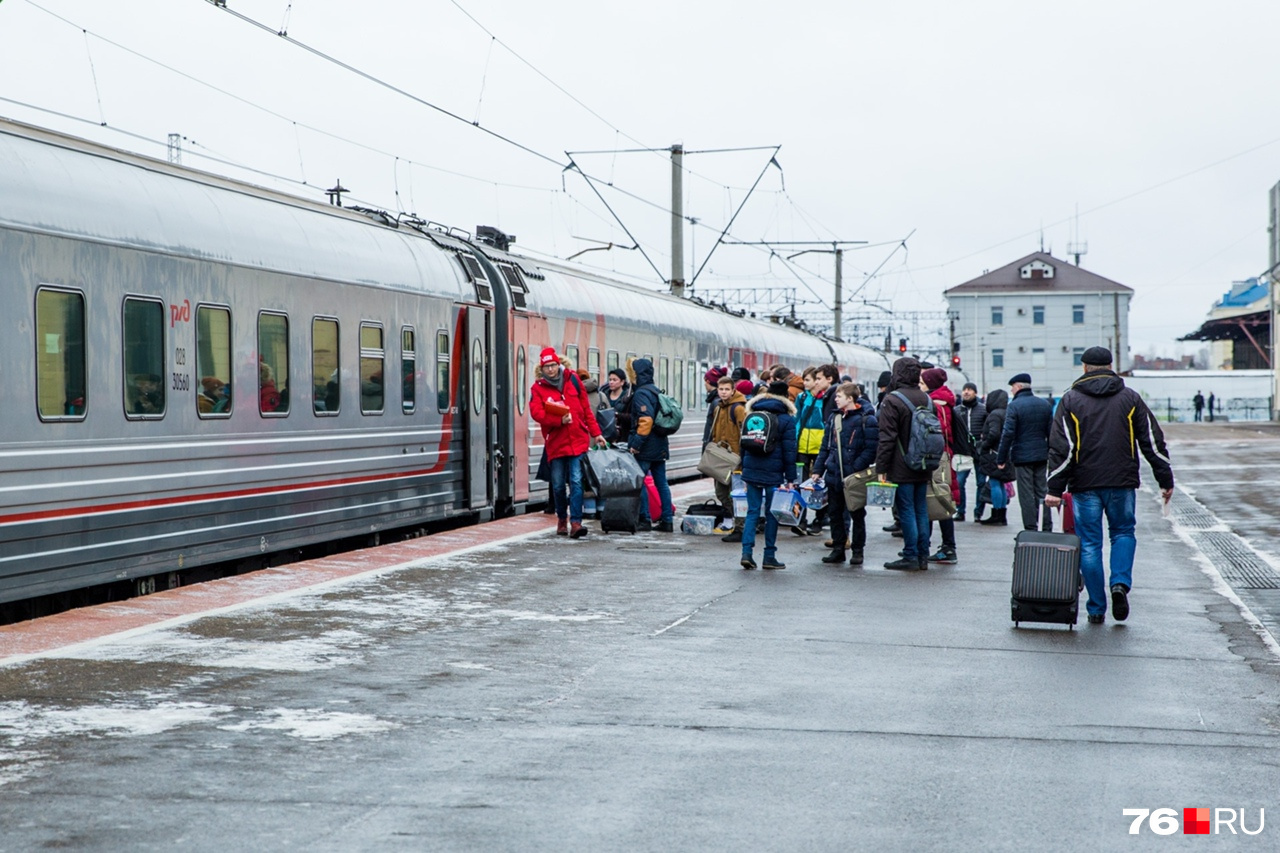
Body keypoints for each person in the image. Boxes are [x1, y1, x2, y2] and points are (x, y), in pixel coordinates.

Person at [1045, 346, 1174, 625]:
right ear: (1111, 365)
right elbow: (1153, 442)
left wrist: (1054, 489)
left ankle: (1096, 607)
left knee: (1090, 544)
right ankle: (1119, 583)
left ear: (1084, 367)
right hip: (1122, 481)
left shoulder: (1070, 401)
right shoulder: (1130, 398)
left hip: (1084, 484)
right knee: (1123, 533)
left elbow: (1061, 448)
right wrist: (1165, 479)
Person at [530, 347, 607, 538]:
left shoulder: (573, 380)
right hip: (556, 443)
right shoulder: (538, 389)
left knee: (576, 482)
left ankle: (576, 523)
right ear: (542, 368)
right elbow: (536, 413)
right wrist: (558, 421)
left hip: (578, 440)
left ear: (559, 364)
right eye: (546, 366)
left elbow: (586, 410)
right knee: (557, 485)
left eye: (553, 365)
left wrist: (596, 433)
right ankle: (562, 519)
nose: (550, 370)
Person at [875, 357, 932, 570]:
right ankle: (923, 555)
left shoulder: (893, 400)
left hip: (901, 464)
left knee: (906, 509)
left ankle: (910, 555)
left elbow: (887, 437)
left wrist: (881, 467)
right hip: (924, 462)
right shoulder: (926, 398)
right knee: (921, 509)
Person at [811, 382, 878, 565]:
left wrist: (855, 466)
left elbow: (871, 450)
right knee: (835, 513)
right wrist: (818, 470)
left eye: (839, 396)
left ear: (850, 399)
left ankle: (857, 551)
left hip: (854, 477)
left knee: (856, 513)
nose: (836, 399)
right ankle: (838, 549)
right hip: (833, 474)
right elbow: (825, 446)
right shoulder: (834, 418)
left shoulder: (867, 420)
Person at [738, 380, 798, 570]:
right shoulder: (787, 420)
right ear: (786, 397)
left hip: (751, 470)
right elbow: (790, 452)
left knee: (752, 512)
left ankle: (746, 553)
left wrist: (744, 471)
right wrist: (790, 479)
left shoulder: (753, 413)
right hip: (774, 473)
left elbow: (744, 444)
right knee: (772, 513)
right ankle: (769, 556)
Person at [996, 372, 1053, 532]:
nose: (1012, 391)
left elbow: (1008, 433)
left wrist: (1001, 458)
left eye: (1013, 388)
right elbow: (1052, 433)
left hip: (1022, 457)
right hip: (1042, 456)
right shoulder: (1045, 405)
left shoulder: (1014, 406)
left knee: (1026, 494)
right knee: (1042, 491)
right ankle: (1046, 527)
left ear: (1019, 387)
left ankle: (1031, 529)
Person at [627, 357, 676, 532]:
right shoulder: (655, 390)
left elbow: (646, 420)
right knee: (661, 483)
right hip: (660, 444)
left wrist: (636, 444)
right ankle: (667, 520)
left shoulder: (641, 393)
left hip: (646, 446)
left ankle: (645, 518)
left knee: (639, 482)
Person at [921, 367, 960, 565]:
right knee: (940, 499)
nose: (920, 385)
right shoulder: (943, 400)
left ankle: (945, 547)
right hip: (944, 457)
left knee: (939, 500)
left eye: (922, 382)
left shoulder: (937, 404)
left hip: (939, 458)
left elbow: (940, 432)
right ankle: (937, 546)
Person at [703, 375, 748, 541]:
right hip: (721, 458)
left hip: (736, 459)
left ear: (733, 390)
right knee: (721, 493)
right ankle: (734, 520)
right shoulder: (718, 408)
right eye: (721, 389)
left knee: (737, 494)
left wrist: (743, 457)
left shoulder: (738, 409)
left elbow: (744, 433)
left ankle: (741, 528)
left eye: (726, 389)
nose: (723, 392)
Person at [976, 389, 1013, 525]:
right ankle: (1002, 514)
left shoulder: (994, 415)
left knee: (994, 482)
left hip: (993, 453)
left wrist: (983, 445)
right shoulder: (1007, 412)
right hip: (1005, 452)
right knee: (1001, 484)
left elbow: (993, 434)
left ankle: (997, 514)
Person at [953, 382, 987, 521]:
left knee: (981, 482)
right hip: (963, 451)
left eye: (970, 390)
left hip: (979, 451)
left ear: (975, 393)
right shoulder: (956, 410)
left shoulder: (983, 410)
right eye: (964, 389)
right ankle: (960, 511)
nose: (966, 392)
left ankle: (978, 512)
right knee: (959, 482)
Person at [599, 368, 633, 443]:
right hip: (605, 434)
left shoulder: (628, 397)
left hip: (622, 436)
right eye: (610, 380)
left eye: (615, 380)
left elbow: (633, 417)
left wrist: (619, 415)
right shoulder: (603, 395)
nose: (611, 382)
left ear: (622, 382)